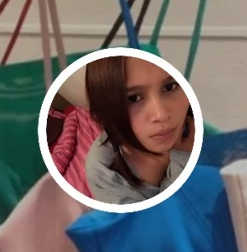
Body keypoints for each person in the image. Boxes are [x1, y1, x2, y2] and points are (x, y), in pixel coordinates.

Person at [83, 55, 194, 205]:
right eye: (133, 98)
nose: (160, 115)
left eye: (170, 87)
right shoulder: (103, 171)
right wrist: (182, 160)